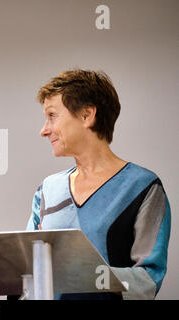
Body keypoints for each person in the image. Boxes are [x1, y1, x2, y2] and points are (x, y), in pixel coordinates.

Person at [27, 69, 171, 300]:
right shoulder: (47, 190)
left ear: (87, 115)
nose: (44, 130)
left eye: (52, 116)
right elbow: (27, 271)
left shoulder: (143, 187)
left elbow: (149, 280)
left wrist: (81, 273)